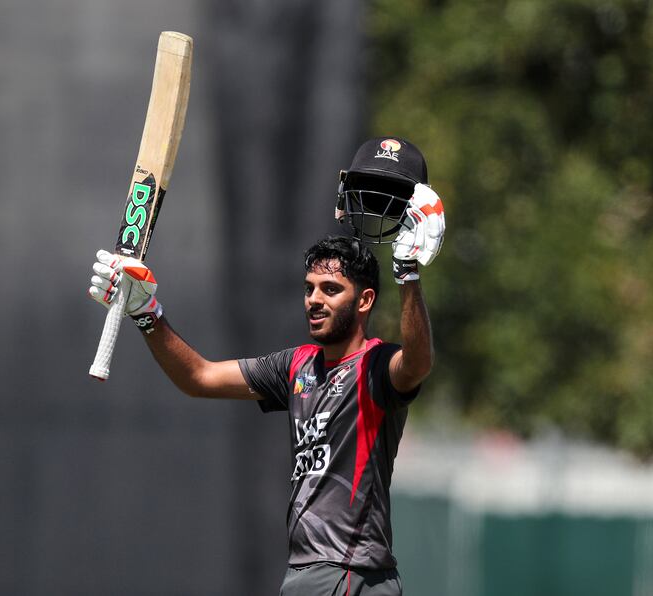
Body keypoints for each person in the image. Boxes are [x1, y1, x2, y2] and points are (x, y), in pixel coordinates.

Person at [88, 137, 445, 595]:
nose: (314, 300)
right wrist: (147, 313)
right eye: (309, 288)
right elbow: (199, 378)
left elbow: (416, 363)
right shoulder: (297, 366)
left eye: (330, 290)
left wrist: (409, 274)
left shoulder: (375, 366)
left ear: (364, 301)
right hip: (304, 575)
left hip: (350, 576)